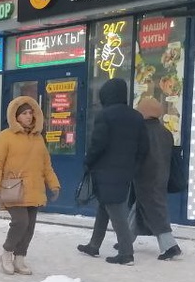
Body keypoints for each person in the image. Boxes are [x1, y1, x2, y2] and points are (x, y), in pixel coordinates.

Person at [76, 78, 148, 264]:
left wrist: (88, 162)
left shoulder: (105, 115)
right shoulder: (137, 117)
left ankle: (126, 253)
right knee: (104, 208)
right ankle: (94, 245)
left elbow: (97, 144)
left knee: (117, 213)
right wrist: (133, 168)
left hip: (105, 170)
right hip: (125, 172)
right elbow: (144, 148)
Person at [0, 96, 61, 275]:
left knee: (29, 227)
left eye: (31, 113)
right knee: (20, 222)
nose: (29, 116)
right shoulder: (5, 137)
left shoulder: (38, 138)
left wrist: (54, 184)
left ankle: (20, 258)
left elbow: (46, 165)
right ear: (15, 116)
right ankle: (7, 252)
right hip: (14, 188)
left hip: (34, 189)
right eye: (24, 113)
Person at [129, 96, 182, 261]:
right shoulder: (165, 132)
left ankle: (170, 245)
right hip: (161, 175)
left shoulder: (140, 131)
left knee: (154, 210)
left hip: (144, 175)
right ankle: (126, 240)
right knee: (139, 207)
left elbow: (136, 155)